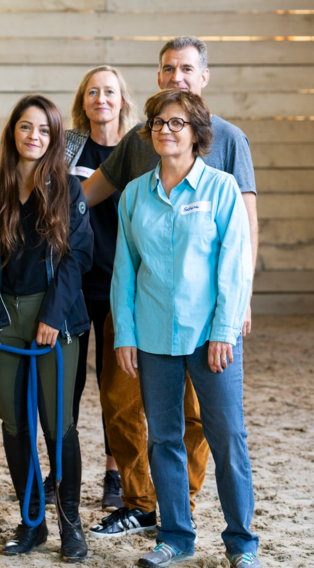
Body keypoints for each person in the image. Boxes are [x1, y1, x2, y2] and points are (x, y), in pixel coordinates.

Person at [81, 36, 259, 540]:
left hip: (207, 316)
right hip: (147, 311)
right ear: (158, 77)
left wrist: (237, 305)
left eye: (186, 68)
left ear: (204, 76)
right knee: (133, 410)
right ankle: (145, 507)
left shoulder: (229, 142)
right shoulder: (139, 143)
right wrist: (22, 198)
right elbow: (91, 196)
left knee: (206, 421)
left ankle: (198, 511)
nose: (176, 76)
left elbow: (241, 233)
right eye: (167, 68)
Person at [0, 66, 137, 511]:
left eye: (109, 91)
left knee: (115, 384)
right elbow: (26, 172)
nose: (101, 98)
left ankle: (114, 472)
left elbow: (64, 207)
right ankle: (44, 495)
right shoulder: (66, 145)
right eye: (93, 91)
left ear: (122, 98)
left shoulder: (135, 146)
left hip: (114, 274)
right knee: (57, 401)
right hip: (68, 286)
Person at [0, 94, 94, 562]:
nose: (33, 136)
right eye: (25, 127)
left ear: (54, 137)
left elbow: (77, 258)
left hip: (54, 321)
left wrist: (52, 316)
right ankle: (32, 521)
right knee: (15, 424)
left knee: (59, 425)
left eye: (43, 129)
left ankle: (70, 524)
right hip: (2, 321)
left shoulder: (69, 190)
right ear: (12, 132)